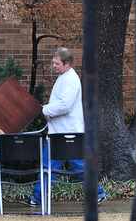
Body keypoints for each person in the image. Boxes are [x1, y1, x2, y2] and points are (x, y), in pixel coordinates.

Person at [29, 47, 106, 206]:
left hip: (66, 134)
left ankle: (38, 198)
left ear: (67, 64)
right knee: (64, 166)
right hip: (63, 133)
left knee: (64, 166)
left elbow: (65, 105)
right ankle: (37, 198)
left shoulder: (70, 79)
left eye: (57, 63)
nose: (54, 66)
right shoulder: (65, 77)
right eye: (53, 63)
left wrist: (44, 110)